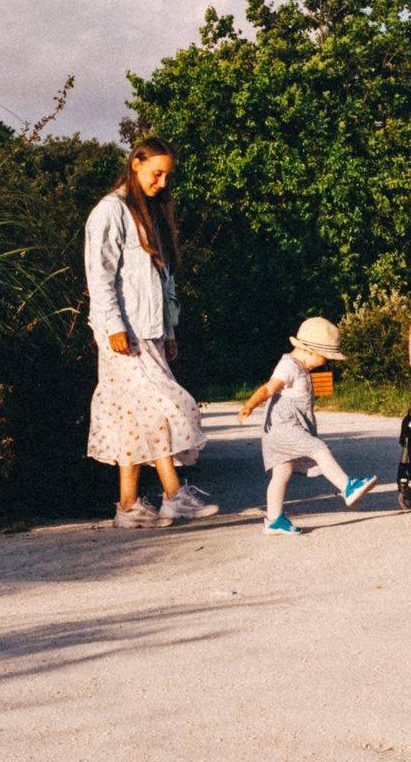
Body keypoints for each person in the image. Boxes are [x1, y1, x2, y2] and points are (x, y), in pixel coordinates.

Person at [86, 137, 218, 528]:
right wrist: (113, 326)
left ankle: (127, 507)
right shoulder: (110, 211)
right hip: (122, 333)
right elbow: (99, 274)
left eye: (166, 176)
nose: (162, 183)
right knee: (162, 407)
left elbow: (165, 279)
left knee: (133, 417)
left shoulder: (150, 213)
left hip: (151, 330)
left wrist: (170, 329)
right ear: (136, 163)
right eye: (156, 173)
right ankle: (175, 496)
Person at [238, 317, 377, 536]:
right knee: (318, 448)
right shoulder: (289, 366)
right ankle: (347, 486)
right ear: (309, 350)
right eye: (324, 357)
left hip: (279, 430)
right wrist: (249, 405)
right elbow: (268, 388)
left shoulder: (300, 366)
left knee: (282, 472)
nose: (325, 362)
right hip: (283, 427)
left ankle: (273, 520)